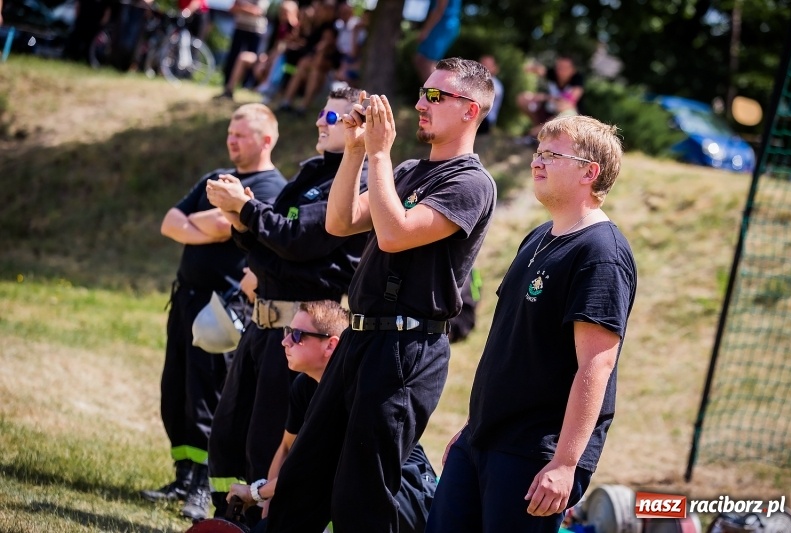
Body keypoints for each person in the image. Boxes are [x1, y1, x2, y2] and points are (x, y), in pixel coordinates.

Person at [263, 57, 497, 533]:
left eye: (436, 96)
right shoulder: (409, 169)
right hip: (360, 338)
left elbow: (395, 234)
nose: (419, 105)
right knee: (303, 477)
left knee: (361, 494)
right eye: (422, 93)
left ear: (471, 110)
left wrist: (378, 154)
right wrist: (352, 152)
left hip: (405, 350)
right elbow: (340, 222)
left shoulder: (471, 183)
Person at [425, 114, 637, 533]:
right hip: (483, 439)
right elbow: (515, 348)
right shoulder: (539, 236)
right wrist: (473, 429)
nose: (536, 162)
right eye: (537, 153)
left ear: (589, 173)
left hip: (534, 453)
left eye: (552, 155)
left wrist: (564, 464)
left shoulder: (602, 253)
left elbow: (596, 366)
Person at [204, 86, 370, 529]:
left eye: (333, 118)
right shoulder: (311, 172)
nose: (321, 121)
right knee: (227, 432)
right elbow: (270, 243)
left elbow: (297, 243)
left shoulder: (357, 181)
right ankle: (224, 518)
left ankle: (260, 523)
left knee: (266, 442)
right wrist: (242, 221)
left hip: (300, 329)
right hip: (262, 324)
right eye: (322, 112)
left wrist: (247, 211)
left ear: (357, 126)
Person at [141, 103, 287, 522]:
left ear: (266, 139)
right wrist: (211, 218)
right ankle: (183, 475)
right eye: (229, 133)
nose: (231, 140)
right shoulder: (217, 178)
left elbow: (228, 226)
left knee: (210, 398)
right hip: (185, 299)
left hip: (223, 308)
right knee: (177, 391)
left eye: (241, 134)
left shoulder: (273, 187)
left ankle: (204, 488)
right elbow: (172, 222)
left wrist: (211, 220)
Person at [226, 301, 438, 533]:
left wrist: (256, 492)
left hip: (406, 495)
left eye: (297, 335)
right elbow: (286, 448)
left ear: (331, 346)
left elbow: (314, 470)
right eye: (288, 332)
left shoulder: (355, 393)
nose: (285, 341)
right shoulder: (304, 386)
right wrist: (271, 504)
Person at [516, 54, 584, 143]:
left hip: (565, 118)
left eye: (564, 68)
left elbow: (568, 102)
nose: (560, 70)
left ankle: (535, 134)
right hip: (547, 111)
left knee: (564, 111)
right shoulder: (552, 74)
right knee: (523, 98)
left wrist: (545, 97)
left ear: (572, 70)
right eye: (559, 67)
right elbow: (538, 69)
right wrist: (525, 68)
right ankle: (538, 129)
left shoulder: (577, 81)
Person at [220, 0, 270, 95]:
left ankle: (246, 86)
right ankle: (228, 85)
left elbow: (258, 11)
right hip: (239, 28)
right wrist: (248, 8)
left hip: (256, 31)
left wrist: (241, 7)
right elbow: (232, 8)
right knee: (233, 58)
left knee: (252, 61)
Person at [414, 0, 461, 83]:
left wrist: (425, 30)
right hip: (445, 24)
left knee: (426, 62)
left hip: (442, 24)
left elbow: (440, 8)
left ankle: (439, 93)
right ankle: (434, 92)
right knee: (421, 60)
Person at [476, 55, 503, 135]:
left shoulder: (496, 85)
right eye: (482, 63)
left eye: (487, 64)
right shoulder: (474, 81)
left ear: (494, 68)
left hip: (485, 121)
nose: (483, 66)